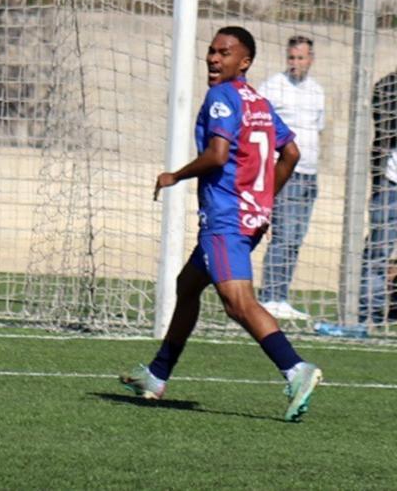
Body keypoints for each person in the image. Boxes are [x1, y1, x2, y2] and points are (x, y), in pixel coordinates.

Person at [120, 26, 322, 423]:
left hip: (225, 218)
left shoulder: (223, 97)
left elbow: (217, 155)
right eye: (211, 52)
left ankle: (295, 368)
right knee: (188, 285)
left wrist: (174, 176)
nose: (214, 59)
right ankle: (157, 375)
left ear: (243, 62)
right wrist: (263, 199)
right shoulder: (259, 102)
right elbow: (292, 152)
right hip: (247, 216)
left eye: (225, 53)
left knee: (237, 303)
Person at [257, 35, 325, 321]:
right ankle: (270, 296)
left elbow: (318, 128)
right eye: (292, 58)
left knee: (296, 238)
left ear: (311, 59)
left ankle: (280, 296)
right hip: (285, 170)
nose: (296, 63)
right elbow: (259, 128)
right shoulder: (273, 87)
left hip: (310, 173)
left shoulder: (317, 91)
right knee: (283, 235)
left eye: (301, 58)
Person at [360, 67, 397, 324]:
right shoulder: (389, 86)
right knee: (378, 251)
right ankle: (369, 313)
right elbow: (384, 129)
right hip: (390, 183)